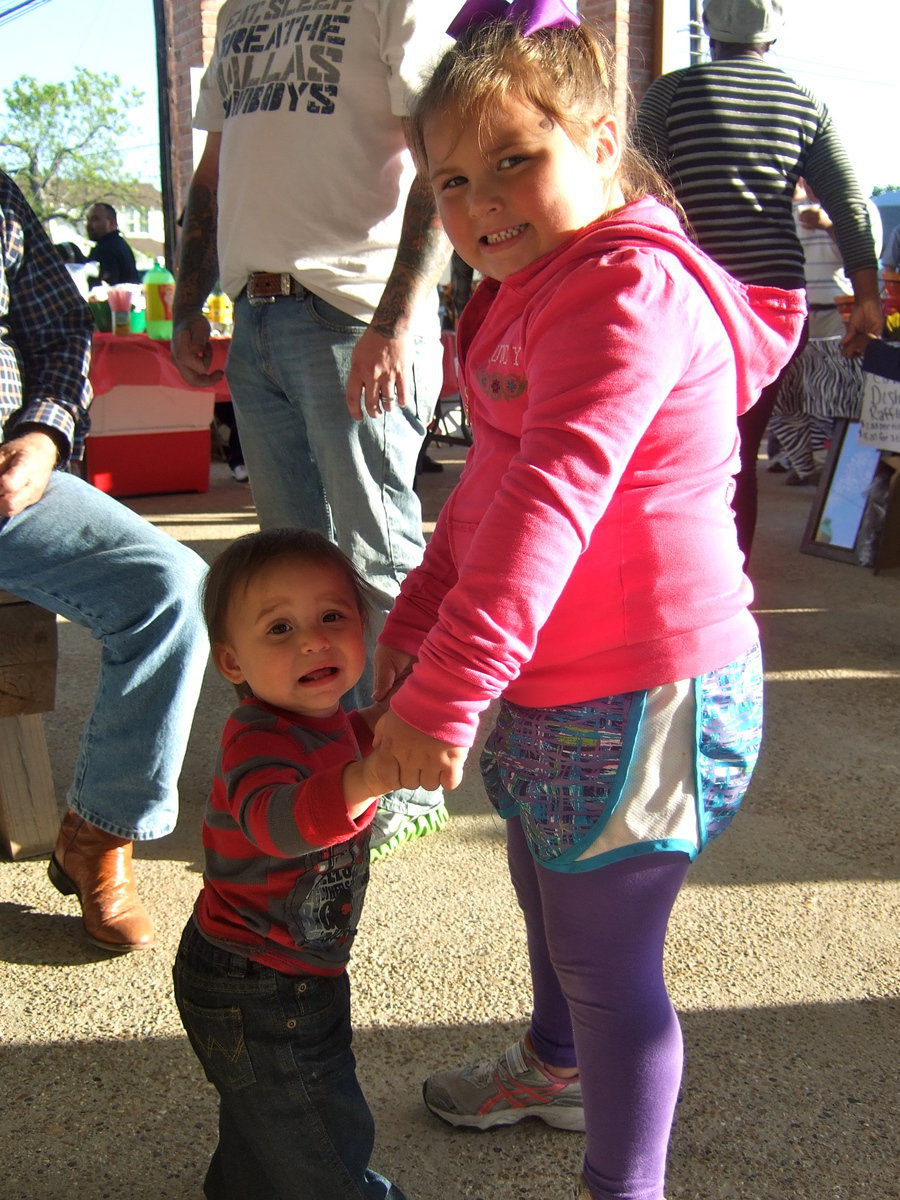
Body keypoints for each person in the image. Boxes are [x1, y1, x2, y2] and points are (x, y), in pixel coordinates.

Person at [368, 8, 805, 1200]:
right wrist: (414, 625)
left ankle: (627, 1184)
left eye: (517, 158)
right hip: (559, 681)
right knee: (541, 878)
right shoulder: (525, 285)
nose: (481, 200)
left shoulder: (622, 292)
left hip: (650, 684)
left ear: (604, 142)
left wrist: (446, 693)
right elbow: (487, 490)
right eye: (452, 178)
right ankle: (555, 1068)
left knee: (611, 963)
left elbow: (550, 499)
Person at [170, 0, 458, 858]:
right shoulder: (244, 11)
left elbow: (440, 164)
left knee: (377, 559)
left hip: (355, 316)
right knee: (289, 566)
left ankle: (406, 770)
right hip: (257, 314)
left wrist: (395, 320)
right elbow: (214, 176)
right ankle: (316, 763)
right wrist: (189, 299)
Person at [0, 170, 208, 952]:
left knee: (174, 586)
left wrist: (45, 436)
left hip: (10, 478)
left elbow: (57, 329)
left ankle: (98, 831)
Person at [173, 527, 406, 1200]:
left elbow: (350, 740)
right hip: (258, 984)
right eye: (279, 628)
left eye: (332, 616)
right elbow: (279, 820)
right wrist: (369, 778)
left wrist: (397, 717)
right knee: (321, 1134)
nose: (312, 639)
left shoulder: (326, 717)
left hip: (286, 970)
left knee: (269, 1121)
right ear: (232, 662)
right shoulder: (256, 739)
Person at [632, 0, 882, 562]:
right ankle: (726, 580)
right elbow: (848, 200)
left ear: (706, 27)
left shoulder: (670, 96)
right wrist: (866, 297)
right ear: (774, 34)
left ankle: (686, 571)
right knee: (738, 445)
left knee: (677, 442)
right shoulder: (804, 102)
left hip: (690, 298)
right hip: (773, 308)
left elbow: (634, 190)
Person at [768, 180, 883, 485]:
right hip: (794, 317)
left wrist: (829, 226)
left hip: (840, 317)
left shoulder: (857, 209)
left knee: (845, 399)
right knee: (784, 400)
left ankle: (851, 476)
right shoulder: (784, 209)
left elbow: (866, 259)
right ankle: (804, 466)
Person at [85, 202, 142, 287]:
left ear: (112, 223)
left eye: (95, 219)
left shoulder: (107, 249)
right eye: (88, 219)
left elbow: (104, 288)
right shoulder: (119, 244)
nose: (89, 224)